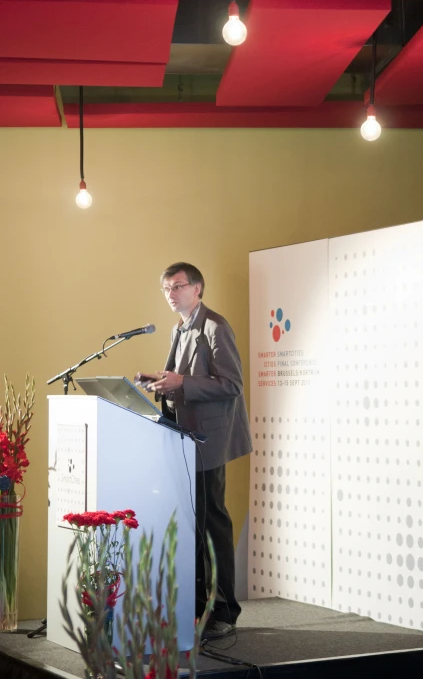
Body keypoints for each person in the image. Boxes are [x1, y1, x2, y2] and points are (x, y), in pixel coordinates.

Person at [135, 262, 252, 640]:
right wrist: (160, 381)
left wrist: (182, 382)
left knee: (212, 521)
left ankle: (224, 611)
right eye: (166, 288)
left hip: (209, 441)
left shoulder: (215, 326)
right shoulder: (180, 327)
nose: (171, 294)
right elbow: (181, 378)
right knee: (194, 523)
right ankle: (199, 606)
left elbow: (231, 384)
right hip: (184, 436)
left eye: (178, 286)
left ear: (198, 288)